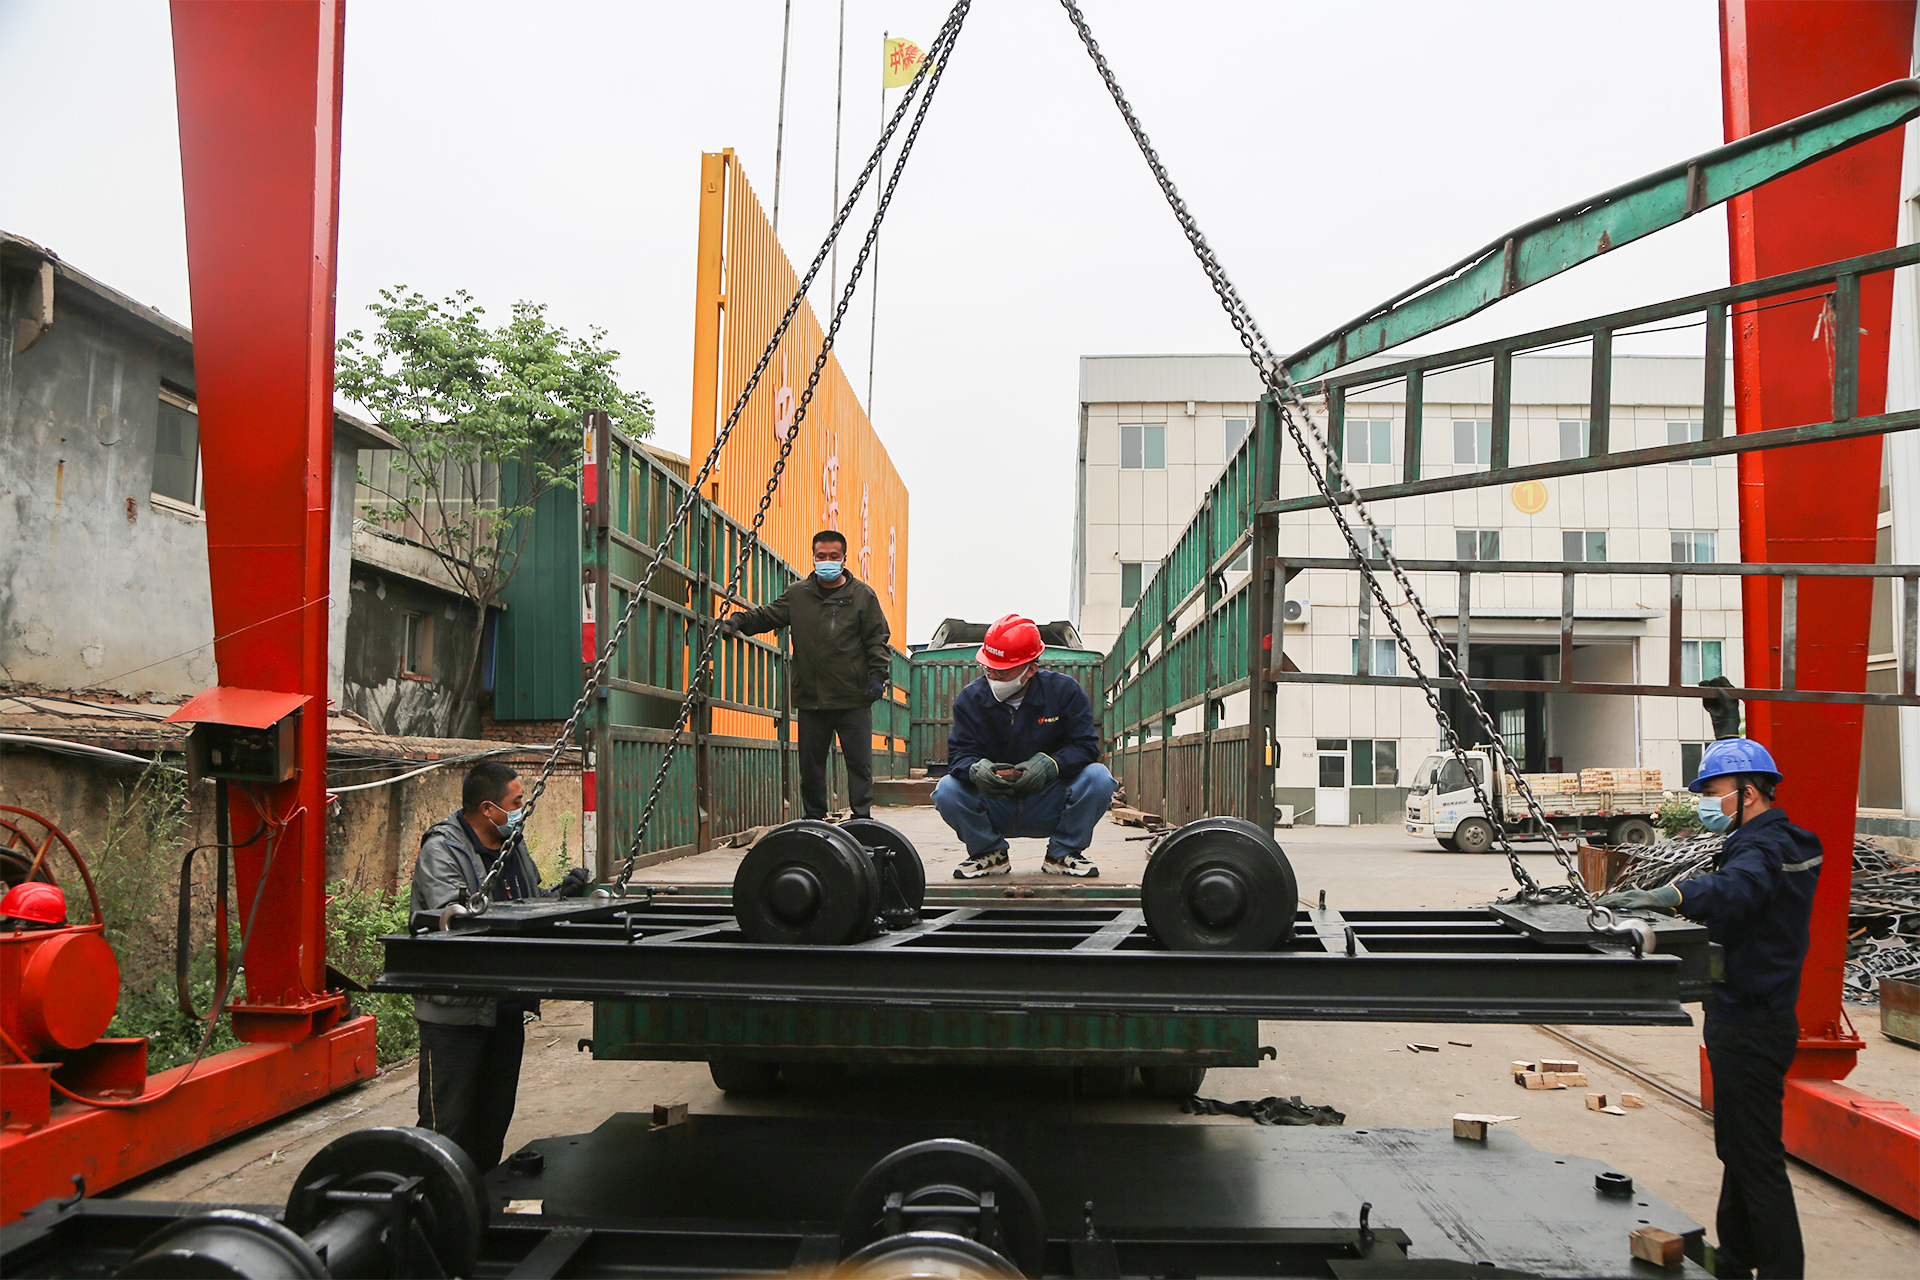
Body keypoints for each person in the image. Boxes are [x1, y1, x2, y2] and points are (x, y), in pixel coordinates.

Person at [1597, 737, 1817, 1280]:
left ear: (1748, 793)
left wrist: (1666, 897)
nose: (1706, 802)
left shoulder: (1761, 849)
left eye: (1713, 792)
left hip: (1751, 1020)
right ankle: (1737, 1262)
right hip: (1754, 1014)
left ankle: (1781, 1270)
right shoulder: (1782, 839)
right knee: (1739, 1151)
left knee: (1755, 1160)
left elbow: (1736, 891)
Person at [410, 760, 589, 1171]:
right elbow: (452, 919)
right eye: (517, 802)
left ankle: (480, 1208)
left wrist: (561, 896)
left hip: (504, 1008)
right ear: (489, 808)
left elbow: (525, 902)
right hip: (456, 1012)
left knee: (491, 1125)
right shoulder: (442, 851)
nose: (523, 809)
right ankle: (435, 1212)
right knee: (446, 1127)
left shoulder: (513, 845)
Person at [721, 529, 892, 821]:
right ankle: (814, 817)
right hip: (812, 697)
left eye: (833, 557)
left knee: (859, 763)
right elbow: (768, 615)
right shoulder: (798, 595)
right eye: (821, 556)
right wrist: (739, 620)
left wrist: (878, 677)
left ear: (844, 559)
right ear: (813, 558)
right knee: (811, 765)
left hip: (853, 696)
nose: (827, 561)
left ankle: (862, 817)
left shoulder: (862, 596)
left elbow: (877, 638)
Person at [933, 614, 1115, 878]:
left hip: (1048, 799)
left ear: (1030, 669)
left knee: (1099, 778)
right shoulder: (971, 699)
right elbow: (960, 753)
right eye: (987, 668)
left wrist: (1051, 766)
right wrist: (976, 770)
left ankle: (1062, 853)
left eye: (1002, 670)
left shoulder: (1065, 692)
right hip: (996, 800)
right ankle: (989, 852)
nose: (992, 675)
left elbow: (1085, 746)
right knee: (947, 789)